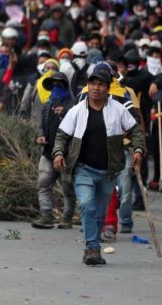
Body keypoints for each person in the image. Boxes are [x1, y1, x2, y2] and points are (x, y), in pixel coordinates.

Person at [52, 64, 146, 266]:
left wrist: (138, 150)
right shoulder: (77, 111)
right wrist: (59, 153)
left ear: (108, 87)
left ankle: (92, 245)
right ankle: (92, 248)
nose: (96, 88)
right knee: (86, 204)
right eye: (93, 83)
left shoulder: (118, 110)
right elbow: (62, 136)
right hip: (83, 168)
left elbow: (135, 132)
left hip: (108, 171)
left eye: (101, 84)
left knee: (100, 213)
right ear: (88, 86)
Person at [31, 71, 75, 229]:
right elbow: (42, 125)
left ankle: (67, 218)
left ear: (65, 86)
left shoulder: (74, 105)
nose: (56, 87)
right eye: (53, 85)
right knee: (43, 185)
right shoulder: (48, 105)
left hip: (67, 154)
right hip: (48, 152)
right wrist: (41, 135)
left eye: (59, 84)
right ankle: (46, 216)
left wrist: (64, 114)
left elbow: (77, 128)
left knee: (68, 188)